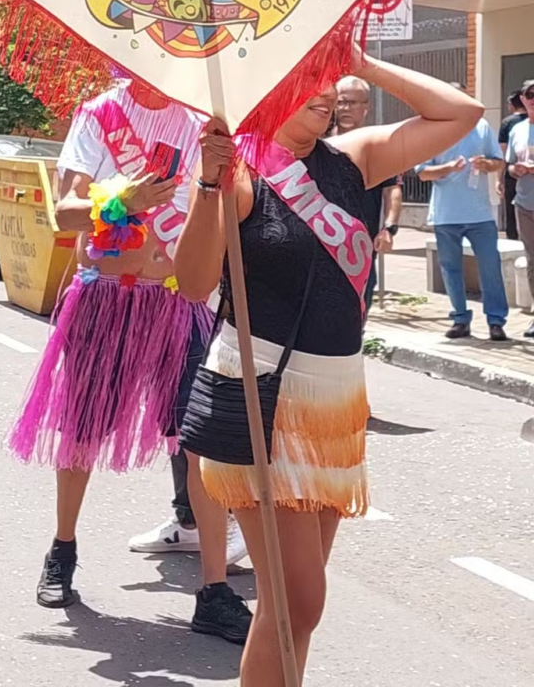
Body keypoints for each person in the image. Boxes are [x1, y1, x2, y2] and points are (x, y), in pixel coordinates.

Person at [174, 52, 482, 687]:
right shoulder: (240, 173)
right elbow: (193, 282)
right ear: (263, 88)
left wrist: (360, 60)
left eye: (326, 79)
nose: (323, 93)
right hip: (262, 393)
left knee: (297, 613)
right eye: (303, 79)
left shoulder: (354, 159)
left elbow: (462, 111)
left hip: (335, 399)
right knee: (296, 600)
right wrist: (207, 185)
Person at [9, 80, 253, 644]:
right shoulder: (101, 114)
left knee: (202, 444)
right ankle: (62, 548)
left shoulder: (203, 116)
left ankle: (214, 590)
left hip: (179, 299)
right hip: (108, 298)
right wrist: (121, 203)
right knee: (82, 431)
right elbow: (67, 214)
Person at [416, 92, 508, 341]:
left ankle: (496, 322)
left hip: (480, 214)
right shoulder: (433, 130)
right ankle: (460, 319)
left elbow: (498, 162)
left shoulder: (481, 126)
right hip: (446, 214)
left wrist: (487, 165)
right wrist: (448, 168)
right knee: (450, 269)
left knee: (490, 267)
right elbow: (423, 173)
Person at [332, 76, 403, 313]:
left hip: (361, 244)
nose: (345, 109)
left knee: (359, 308)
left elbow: (392, 189)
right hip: (323, 237)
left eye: (352, 103)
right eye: (341, 102)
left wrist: (389, 228)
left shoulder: (378, 145)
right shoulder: (318, 142)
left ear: (366, 107)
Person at [505, 79, 534, 337]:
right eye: (530, 94)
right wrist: (518, 169)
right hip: (525, 205)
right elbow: (510, 166)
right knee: (532, 261)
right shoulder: (517, 129)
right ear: (523, 99)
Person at [498, 90, 527, 240]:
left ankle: (514, 240)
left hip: (513, 175)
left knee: (511, 210)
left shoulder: (508, 123)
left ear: (511, 104)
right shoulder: (521, 125)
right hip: (520, 173)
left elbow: (502, 153)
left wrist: (499, 178)